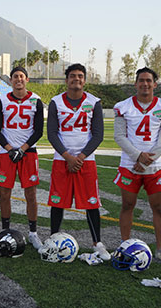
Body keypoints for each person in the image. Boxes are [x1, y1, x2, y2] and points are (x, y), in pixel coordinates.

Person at [113, 67, 161, 266]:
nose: (145, 84)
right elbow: (119, 136)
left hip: (155, 166)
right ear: (135, 83)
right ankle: (124, 246)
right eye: (141, 80)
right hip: (130, 165)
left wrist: (147, 159)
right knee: (127, 205)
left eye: (149, 80)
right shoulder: (123, 107)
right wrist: (138, 157)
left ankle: (160, 249)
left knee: (158, 207)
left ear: (155, 84)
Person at [46, 63, 110, 260]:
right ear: (66, 80)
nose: (77, 79)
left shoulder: (94, 102)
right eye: (73, 76)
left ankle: (97, 243)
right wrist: (68, 157)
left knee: (91, 203)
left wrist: (79, 158)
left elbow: (98, 134)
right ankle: (53, 240)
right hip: (62, 160)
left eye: (80, 76)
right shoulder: (56, 102)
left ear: (84, 80)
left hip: (86, 161)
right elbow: (51, 133)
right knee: (58, 202)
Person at [0, 66, 44, 249]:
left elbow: (38, 131)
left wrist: (22, 149)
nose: (18, 79)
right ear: (11, 80)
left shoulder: (36, 100)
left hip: (28, 153)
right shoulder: (2, 100)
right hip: (7, 153)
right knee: (4, 193)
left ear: (27, 79)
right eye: (15, 76)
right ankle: (4, 230)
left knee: (31, 194)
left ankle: (33, 233)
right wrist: (9, 148)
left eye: (21, 76)